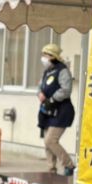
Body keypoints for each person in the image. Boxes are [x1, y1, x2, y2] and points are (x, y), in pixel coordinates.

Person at [36, 42, 75, 175]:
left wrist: (52, 99)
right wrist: (40, 95)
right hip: (47, 111)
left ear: (53, 56)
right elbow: (40, 87)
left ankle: (69, 164)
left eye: (46, 55)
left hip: (61, 111)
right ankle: (51, 169)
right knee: (47, 143)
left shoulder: (62, 70)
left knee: (50, 140)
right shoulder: (47, 71)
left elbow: (66, 90)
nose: (43, 58)